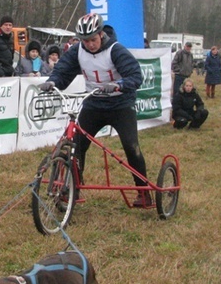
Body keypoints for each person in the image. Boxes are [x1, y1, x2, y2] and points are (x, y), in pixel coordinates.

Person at [38, 13, 151, 207]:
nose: (90, 44)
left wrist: (119, 84)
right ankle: (73, 188)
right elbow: (62, 70)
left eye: (93, 39)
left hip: (120, 104)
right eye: (85, 40)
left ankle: (143, 192)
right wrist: (52, 82)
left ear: (101, 35)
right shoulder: (77, 51)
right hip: (94, 103)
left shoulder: (116, 50)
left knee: (131, 146)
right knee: (76, 145)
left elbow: (135, 75)